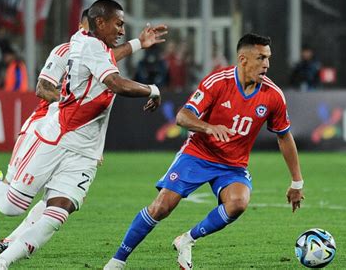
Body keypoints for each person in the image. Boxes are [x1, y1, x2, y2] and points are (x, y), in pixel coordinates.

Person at [0, 0, 166, 269]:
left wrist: (140, 43)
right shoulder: (83, 46)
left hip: (83, 151)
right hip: (55, 135)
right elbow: (111, 82)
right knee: (13, 206)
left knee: (56, 214)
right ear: (98, 23)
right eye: (118, 24)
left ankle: (0, 262)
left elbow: (112, 57)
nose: (121, 30)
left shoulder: (98, 48)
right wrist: (152, 89)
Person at [103, 33, 305, 270]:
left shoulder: (273, 96)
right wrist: (209, 127)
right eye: (261, 58)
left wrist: (297, 182)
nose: (266, 65)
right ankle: (117, 261)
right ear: (243, 59)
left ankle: (187, 239)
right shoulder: (218, 82)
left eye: (268, 58)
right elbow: (182, 116)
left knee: (238, 202)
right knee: (162, 207)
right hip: (198, 155)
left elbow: (284, 136)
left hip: (233, 165)